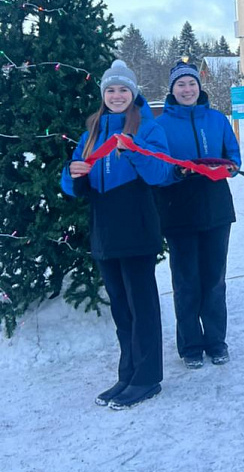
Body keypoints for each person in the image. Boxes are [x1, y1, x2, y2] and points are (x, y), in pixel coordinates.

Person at [61, 59, 170, 410]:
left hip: (136, 226)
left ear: (133, 93)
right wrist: (74, 174)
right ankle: (127, 373)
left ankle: (148, 377)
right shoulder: (92, 131)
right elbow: (73, 183)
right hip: (104, 230)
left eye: (124, 89)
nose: (117, 95)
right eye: (111, 90)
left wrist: (135, 153)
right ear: (103, 95)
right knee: (121, 307)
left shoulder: (147, 128)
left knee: (142, 306)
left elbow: (161, 174)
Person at [155, 61, 241, 369]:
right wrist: (176, 171)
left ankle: (216, 341)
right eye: (181, 85)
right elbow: (157, 171)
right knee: (186, 280)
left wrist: (229, 167)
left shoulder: (217, 119)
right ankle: (190, 344)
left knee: (214, 279)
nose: (187, 90)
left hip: (216, 207)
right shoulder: (160, 126)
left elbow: (234, 157)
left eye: (191, 84)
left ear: (199, 87)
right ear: (172, 89)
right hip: (178, 209)